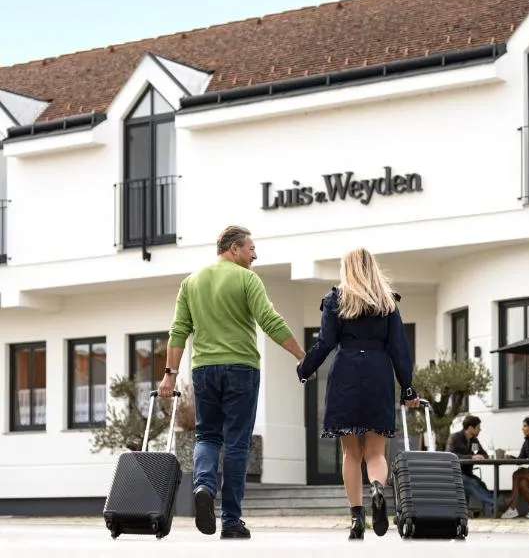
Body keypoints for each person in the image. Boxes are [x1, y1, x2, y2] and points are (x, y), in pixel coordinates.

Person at [158, 225, 305, 540]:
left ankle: (203, 487)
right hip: (241, 369)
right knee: (237, 443)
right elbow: (269, 320)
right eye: (252, 248)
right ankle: (232, 521)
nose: (255, 255)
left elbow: (178, 331)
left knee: (207, 437)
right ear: (235, 249)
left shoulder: (191, 282)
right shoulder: (247, 279)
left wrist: (169, 374)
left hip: (204, 370)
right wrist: (301, 355)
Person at [297, 247, 419, 540]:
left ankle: (356, 518)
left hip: (346, 374)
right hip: (378, 372)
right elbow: (399, 349)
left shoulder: (336, 300)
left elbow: (325, 342)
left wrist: (305, 368)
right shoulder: (388, 301)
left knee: (351, 453)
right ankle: (377, 488)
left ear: (346, 268)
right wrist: (408, 387)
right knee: (376, 452)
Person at [447, 415, 496, 516]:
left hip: (466, 473)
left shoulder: (474, 440)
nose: (480, 430)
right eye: (478, 427)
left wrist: (482, 456)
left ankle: (490, 510)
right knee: (472, 482)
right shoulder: (455, 437)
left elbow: (483, 454)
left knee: (481, 484)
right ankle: (494, 505)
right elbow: (451, 455)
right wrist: (471, 457)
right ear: (470, 428)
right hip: (454, 474)